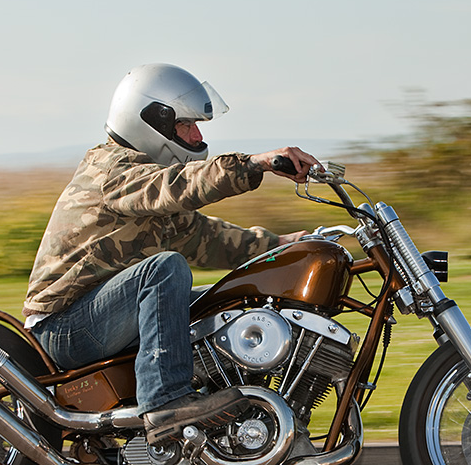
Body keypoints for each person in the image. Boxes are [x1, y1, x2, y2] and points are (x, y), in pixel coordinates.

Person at [23, 63, 322, 444]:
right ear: (150, 121)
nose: (196, 135)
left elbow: (208, 238)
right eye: (185, 126)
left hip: (105, 318)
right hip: (65, 326)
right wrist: (253, 165)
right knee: (164, 270)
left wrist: (290, 246)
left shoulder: (146, 182)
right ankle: (164, 403)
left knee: (232, 301)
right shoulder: (114, 171)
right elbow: (177, 187)